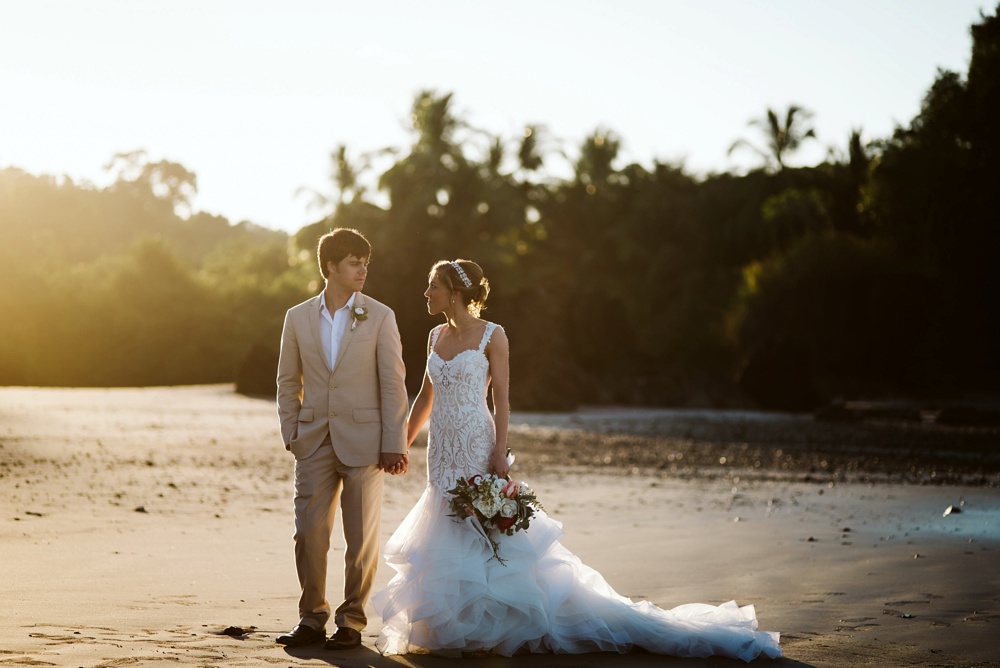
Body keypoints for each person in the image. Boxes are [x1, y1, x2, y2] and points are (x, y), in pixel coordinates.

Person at [372, 259, 782, 661]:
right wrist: (402, 443)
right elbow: (425, 396)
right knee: (445, 523)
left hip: (477, 443)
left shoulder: (493, 335)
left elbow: (502, 399)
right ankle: (454, 623)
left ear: (456, 293)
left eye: (433, 286)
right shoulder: (433, 335)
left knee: (484, 529)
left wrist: (500, 451)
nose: (426, 293)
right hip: (442, 451)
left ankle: (493, 624)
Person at [275, 228, 408, 650]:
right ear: (331, 266)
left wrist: (395, 441)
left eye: (366, 262)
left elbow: (393, 383)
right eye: (354, 262)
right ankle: (311, 617)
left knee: (360, 537)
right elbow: (286, 381)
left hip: (367, 442)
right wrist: (292, 433)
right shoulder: (296, 317)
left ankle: (351, 620)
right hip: (312, 440)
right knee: (309, 533)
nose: (363, 269)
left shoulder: (381, 315)